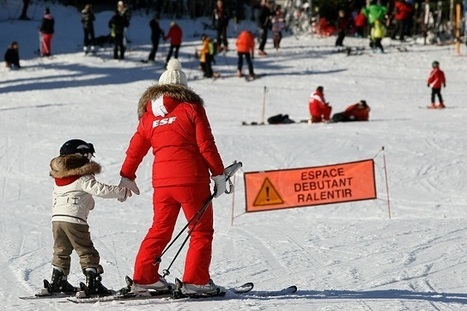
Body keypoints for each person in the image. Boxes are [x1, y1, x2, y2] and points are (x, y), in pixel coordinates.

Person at [118, 59, 227, 297]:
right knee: (200, 232)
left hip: (162, 184)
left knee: (160, 229)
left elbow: (135, 148)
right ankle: (196, 281)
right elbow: (206, 145)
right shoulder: (191, 108)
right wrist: (218, 175)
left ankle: (145, 278)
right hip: (191, 181)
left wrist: (127, 175)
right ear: (184, 88)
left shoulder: (149, 116)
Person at [46, 139, 132, 296]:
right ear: (81, 155)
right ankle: (93, 283)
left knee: (61, 250)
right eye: (88, 155)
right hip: (75, 220)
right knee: (86, 250)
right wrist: (122, 191)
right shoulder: (82, 177)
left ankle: (58, 281)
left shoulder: (59, 178)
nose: (90, 158)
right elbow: (100, 189)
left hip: (57, 220)